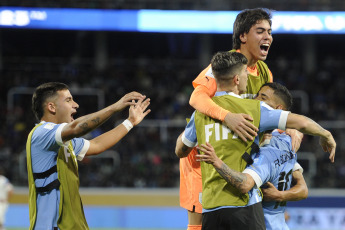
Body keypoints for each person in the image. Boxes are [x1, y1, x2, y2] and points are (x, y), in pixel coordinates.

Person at [176, 51, 335, 230]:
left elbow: (180, 150)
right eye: (245, 73)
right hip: (244, 206)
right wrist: (325, 135)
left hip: (211, 207)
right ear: (236, 79)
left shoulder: (200, 113)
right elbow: (303, 122)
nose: (248, 77)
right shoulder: (254, 110)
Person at [180, 8, 303, 230]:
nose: (268, 37)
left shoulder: (264, 72)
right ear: (243, 36)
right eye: (260, 31)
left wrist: (288, 127)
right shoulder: (227, 65)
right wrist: (228, 118)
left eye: (269, 32)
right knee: (200, 223)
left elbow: (269, 111)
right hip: (204, 154)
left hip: (235, 156)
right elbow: (196, 97)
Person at [26, 82, 151, 230]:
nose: (76, 105)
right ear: (51, 107)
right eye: (68, 100)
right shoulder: (41, 134)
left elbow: (97, 145)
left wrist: (129, 122)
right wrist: (115, 107)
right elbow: (76, 128)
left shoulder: (66, 143)